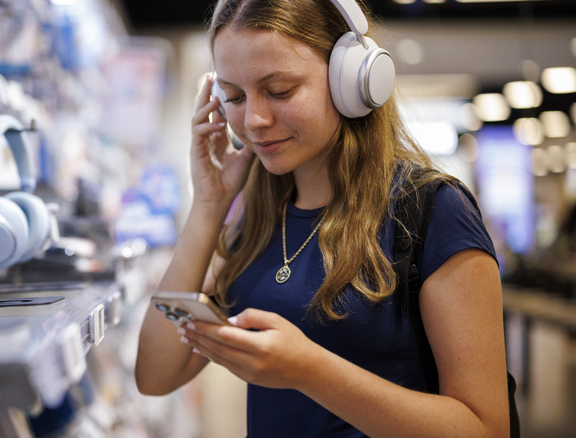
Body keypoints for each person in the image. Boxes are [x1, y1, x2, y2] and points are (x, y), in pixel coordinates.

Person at [135, 0, 511, 436]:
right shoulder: (259, 223)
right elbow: (155, 375)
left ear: (351, 80)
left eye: (279, 90)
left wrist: (309, 371)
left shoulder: (433, 210)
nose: (254, 120)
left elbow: (486, 428)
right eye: (234, 96)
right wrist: (208, 204)